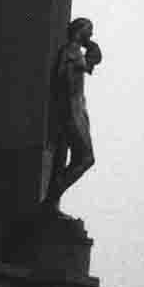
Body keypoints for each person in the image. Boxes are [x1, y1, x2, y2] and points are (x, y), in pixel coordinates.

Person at [43, 18, 102, 206]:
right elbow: (65, 77)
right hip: (71, 112)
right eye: (89, 30)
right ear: (79, 30)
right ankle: (52, 197)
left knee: (78, 158)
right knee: (86, 158)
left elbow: (90, 63)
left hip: (75, 110)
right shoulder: (71, 52)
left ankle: (52, 199)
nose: (91, 35)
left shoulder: (74, 53)